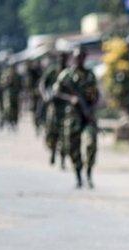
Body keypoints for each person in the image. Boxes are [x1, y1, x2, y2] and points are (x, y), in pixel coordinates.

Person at [54, 48, 99, 189]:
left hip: (87, 116)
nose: (79, 59)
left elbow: (96, 95)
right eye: (77, 57)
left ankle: (89, 174)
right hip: (72, 116)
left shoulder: (90, 75)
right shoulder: (66, 75)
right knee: (73, 148)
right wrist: (70, 98)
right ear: (73, 58)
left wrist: (90, 108)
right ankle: (78, 176)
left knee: (91, 144)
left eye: (82, 57)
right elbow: (56, 92)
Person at [40, 52, 69, 168]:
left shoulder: (68, 72)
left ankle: (62, 158)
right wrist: (45, 96)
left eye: (64, 58)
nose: (62, 60)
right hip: (53, 107)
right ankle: (52, 151)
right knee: (51, 132)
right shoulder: (52, 70)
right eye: (61, 57)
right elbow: (42, 84)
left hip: (65, 108)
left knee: (64, 134)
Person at [0, 62, 22, 128]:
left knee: (16, 109)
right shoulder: (5, 75)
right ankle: (8, 121)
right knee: (8, 109)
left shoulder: (17, 75)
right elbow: (2, 84)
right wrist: (7, 81)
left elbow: (20, 85)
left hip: (16, 94)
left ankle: (14, 121)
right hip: (8, 94)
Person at [26, 59, 43, 134]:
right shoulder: (32, 71)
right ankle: (36, 124)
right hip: (33, 95)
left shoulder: (40, 71)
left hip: (39, 95)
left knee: (39, 110)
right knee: (34, 110)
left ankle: (38, 124)